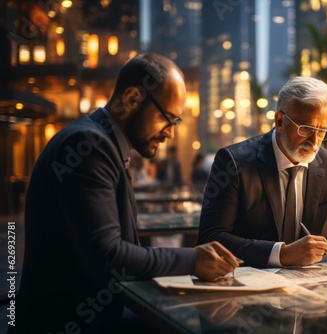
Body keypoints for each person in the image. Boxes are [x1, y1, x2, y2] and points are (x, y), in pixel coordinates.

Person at [15, 53, 239, 334]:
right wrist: (193, 260)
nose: (170, 133)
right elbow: (108, 257)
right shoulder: (87, 146)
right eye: (167, 118)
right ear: (132, 99)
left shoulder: (101, 142)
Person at [197, 76, 327, 268]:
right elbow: (210, 238)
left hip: (307, 284)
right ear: (280, 120)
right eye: (306, 129)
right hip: (247, 282)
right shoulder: (234, 162)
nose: (315, 141)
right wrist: (281, 254)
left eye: (322, 131)